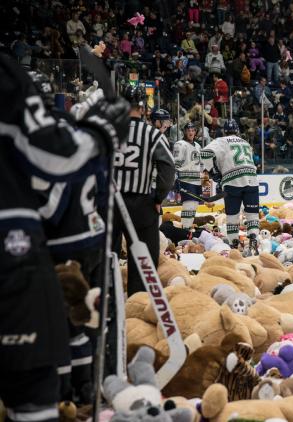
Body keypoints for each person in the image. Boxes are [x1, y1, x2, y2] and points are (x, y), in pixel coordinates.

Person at [0, 53, 129, 422]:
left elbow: (53, 200)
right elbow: (58, 164)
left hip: (64, 245)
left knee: (74, 321)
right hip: (68, 244)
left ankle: (73, 388)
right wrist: (101, 132)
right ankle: (79, 389)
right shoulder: (54, 124)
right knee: (77, 324)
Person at [29, 71, 108, 405]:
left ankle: (66, 391)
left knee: (63, 322)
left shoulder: (47, 136)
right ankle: (90, 384)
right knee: (88, 317)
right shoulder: (80, 133)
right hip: (95, 238)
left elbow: (53, 202)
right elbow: (104, 189)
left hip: (66, 245)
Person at [112, 85, 175, 297]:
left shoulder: (108, 130)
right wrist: (158, 197)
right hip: (141, 204)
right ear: (144, 108)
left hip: (110, 203)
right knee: (143, 262)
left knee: (107, 259)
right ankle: (137, 308)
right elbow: (168, 168)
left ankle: (109, 303)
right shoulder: (152, 134)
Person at [201, 119, 260, 253]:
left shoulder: (221, 141)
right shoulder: (245, 142)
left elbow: (204, 153)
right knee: (252, 216)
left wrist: (214, 172)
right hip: (252, 180)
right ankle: (253, 243)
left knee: (232, 216)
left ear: (224, 131)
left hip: (233, 182)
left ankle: (234, 246)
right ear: (237, 131)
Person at [173, 122, 202, 230]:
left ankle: (188, 227)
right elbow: (176, 163)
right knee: (189, 205)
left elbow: (200, 163)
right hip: (185, 180)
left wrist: (204, 176)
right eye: (188, 130)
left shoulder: (198, 146)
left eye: (193, 130)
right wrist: (175, 178)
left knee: (194, 205)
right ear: (185, 132)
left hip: (196, 181)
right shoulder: (180, 144)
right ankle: (185, 228)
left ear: (195, 132)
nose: (190, 132)